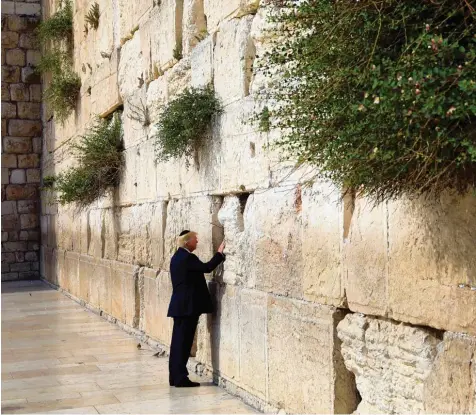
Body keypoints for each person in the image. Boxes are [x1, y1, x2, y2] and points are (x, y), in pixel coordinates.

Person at [167, 230, 226, 387]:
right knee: (184, 343)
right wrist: (219, 254)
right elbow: (207, 268)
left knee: (177, 343)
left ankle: (175, 376)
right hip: (187, 308)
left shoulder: (176, 257)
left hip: (179, 306)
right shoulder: (187, 258)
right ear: (187, 242)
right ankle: (180, 379)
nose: (197, 241)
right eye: (195, 239)